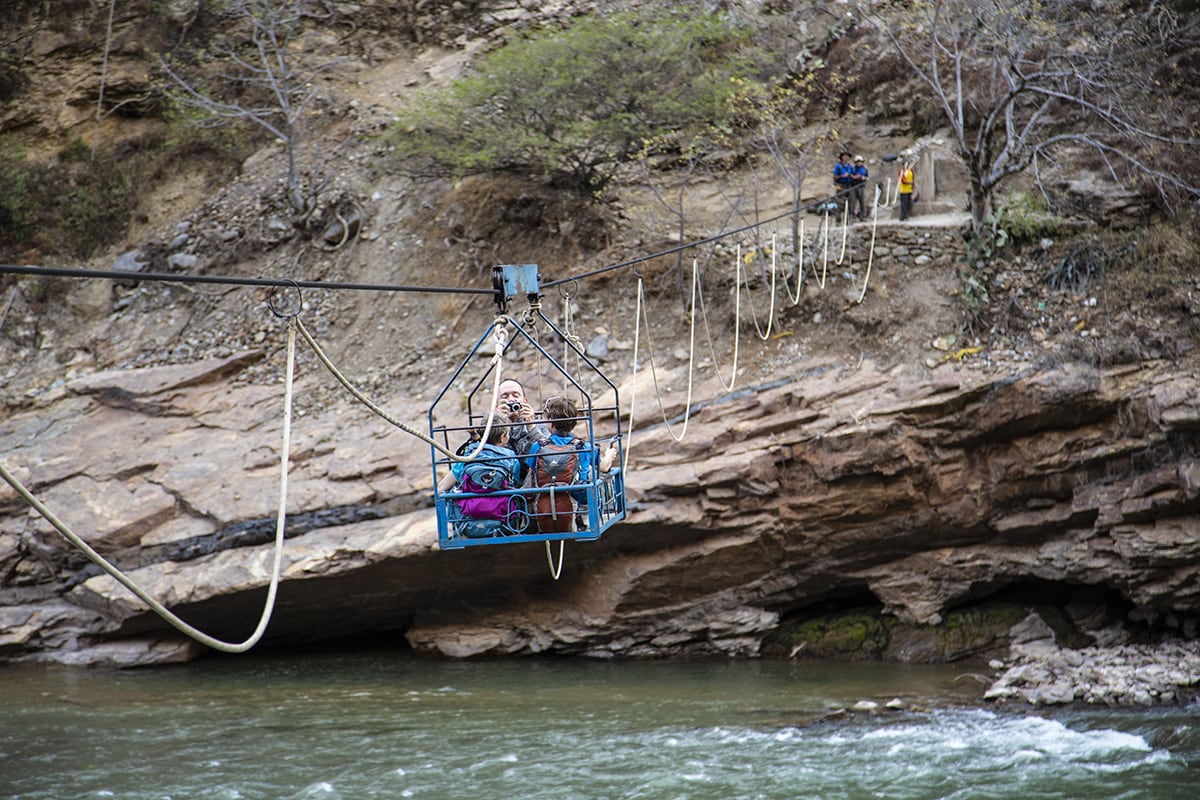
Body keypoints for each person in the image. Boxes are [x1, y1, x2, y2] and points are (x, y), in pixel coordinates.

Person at [526, 396, 617, 532]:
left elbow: (531, 474)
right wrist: (609, 455)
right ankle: (583, 522)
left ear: (550, 421)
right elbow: (604, 467)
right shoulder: (584, 446)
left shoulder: (538, 447)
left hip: (545, 502)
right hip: (581, 501)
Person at [438, 425, 523, 531]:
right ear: (502, 437)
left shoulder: (469, 456)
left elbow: (442, 487)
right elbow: (514, 483)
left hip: (468, 525)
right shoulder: (511, 458)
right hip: (505, 525)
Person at [851, 155, 869, 219]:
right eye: (857, 161)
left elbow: (867, 177)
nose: (859, 163)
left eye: (860, 161)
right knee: (852, 202)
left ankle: (863, 216)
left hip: (861, 186)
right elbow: (850, 176)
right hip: (853, 187)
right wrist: (854, 177)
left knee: (863, 202)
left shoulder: (865, 168)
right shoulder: (852, 168)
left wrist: (864, 178)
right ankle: (852, 217)